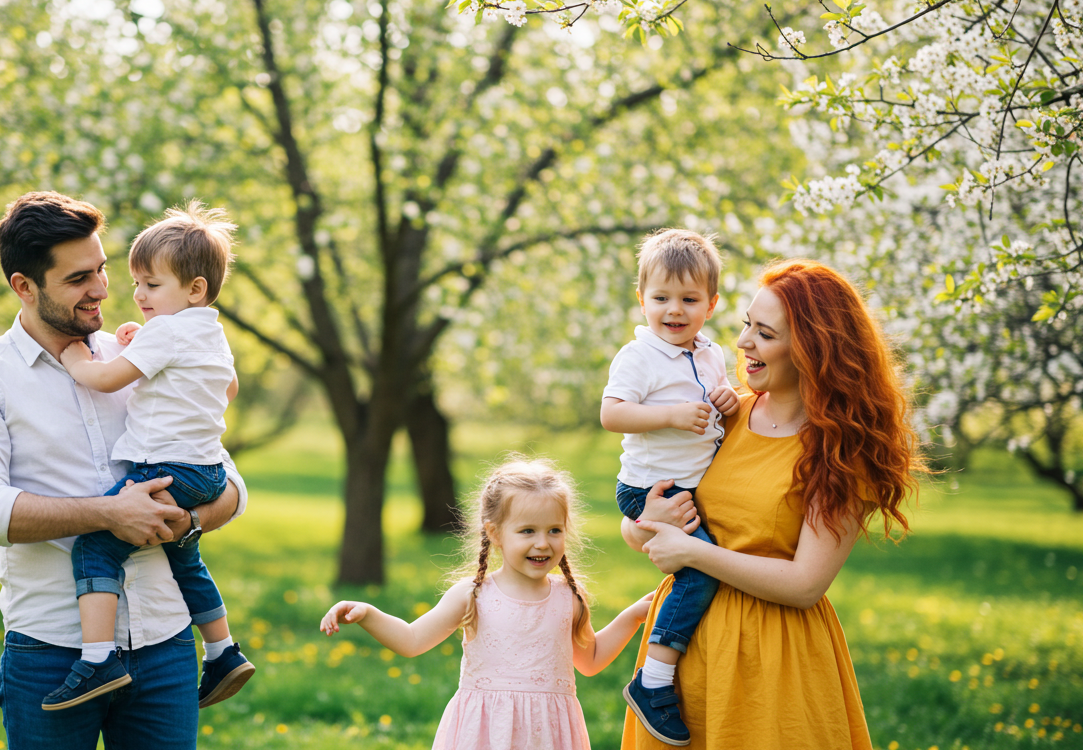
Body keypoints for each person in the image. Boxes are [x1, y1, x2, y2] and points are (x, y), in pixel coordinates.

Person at [0, 191, 248, 750]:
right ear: (24, 287)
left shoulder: (144, 351)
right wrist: (109, 513)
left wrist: (189, 523)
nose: (103, 289)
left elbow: (227, 480)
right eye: (80, 278)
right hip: (51, 651)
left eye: (102, 269)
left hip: (165, 645)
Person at [622, 259, 919, 750]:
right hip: (684, 655)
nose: (742, 344)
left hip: (774, 657)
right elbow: (644, 530)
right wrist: (644, 525)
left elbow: (805, 584)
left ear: (811, 349)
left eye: (764, 333)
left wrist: (693, 554)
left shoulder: (840, 452)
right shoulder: (724, 417)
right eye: (745, 326)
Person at [45, 202, 253, 711]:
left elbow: (105, 378)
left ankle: (96, 662)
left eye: (152, 286)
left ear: (194, 289)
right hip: (205, 472)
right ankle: (224, 651)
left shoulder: (168, 332)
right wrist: (152, 347)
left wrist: (77, 355)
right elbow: (227, 389)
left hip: (163, 469)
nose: (137, 296)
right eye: (135, 283)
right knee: (185, 554)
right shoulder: (211, 330)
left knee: (95, 548)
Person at [320, 458, 656, 750]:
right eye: (527, 531)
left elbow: (591, 660)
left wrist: (633, 615)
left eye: (554, 530)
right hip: (485, 732)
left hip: (550, 735)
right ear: (494, 533)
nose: (543, 542)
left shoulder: (569, 596)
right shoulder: (474, 595)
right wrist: (367, 613)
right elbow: (412, 640)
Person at [599, 228, 740, 746]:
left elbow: (716, 399)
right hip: (649, 490)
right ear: (642, 300)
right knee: (700, 573)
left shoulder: (711, 354)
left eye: (688, 299)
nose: (673, 310)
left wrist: (727, 400)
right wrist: (670, 415)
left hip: (691, 489)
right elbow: (611, 414)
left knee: (700, 568)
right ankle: (653, 681)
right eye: (660, 298)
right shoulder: (638, 357)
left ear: (711, 304)